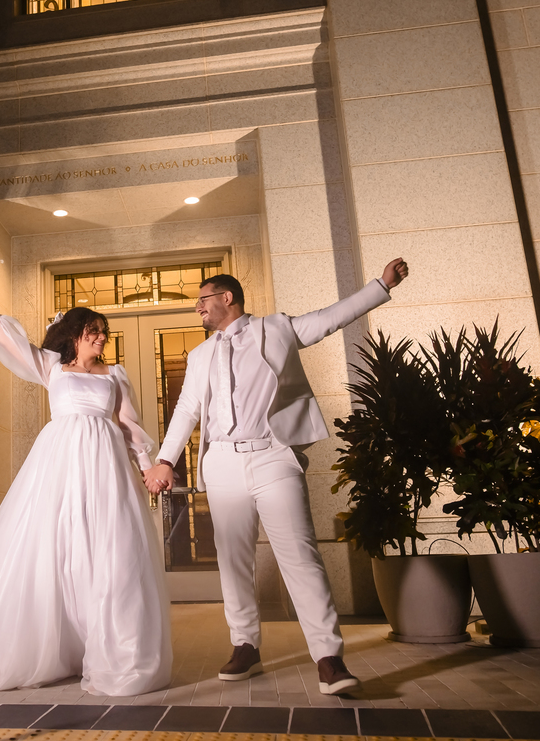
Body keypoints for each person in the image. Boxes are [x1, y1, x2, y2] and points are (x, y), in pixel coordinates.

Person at [0, 268, 172, 696]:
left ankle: (113, 648)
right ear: (74, 334)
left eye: (102, 332)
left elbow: (129, 426)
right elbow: (13, 344)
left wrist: (148, 465)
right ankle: (56, 646)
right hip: (59, 464)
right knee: (53, 547)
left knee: (109, 549)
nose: (100, 338)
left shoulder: (116, 375)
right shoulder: (52, 367)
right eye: (93, 331)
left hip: (106, 469)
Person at [143, 259, 409, 695]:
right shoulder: (200, 354)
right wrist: (166, 460)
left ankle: (328, 659)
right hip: (223, 462)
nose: (198, 309)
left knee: (301, 557)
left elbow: (329, 319)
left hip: (273, 457)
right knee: (232, 561)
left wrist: (380, 284)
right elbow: (187, 411)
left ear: (227, 298)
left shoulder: (276, 329)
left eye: (203, 300)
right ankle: (245, 645)